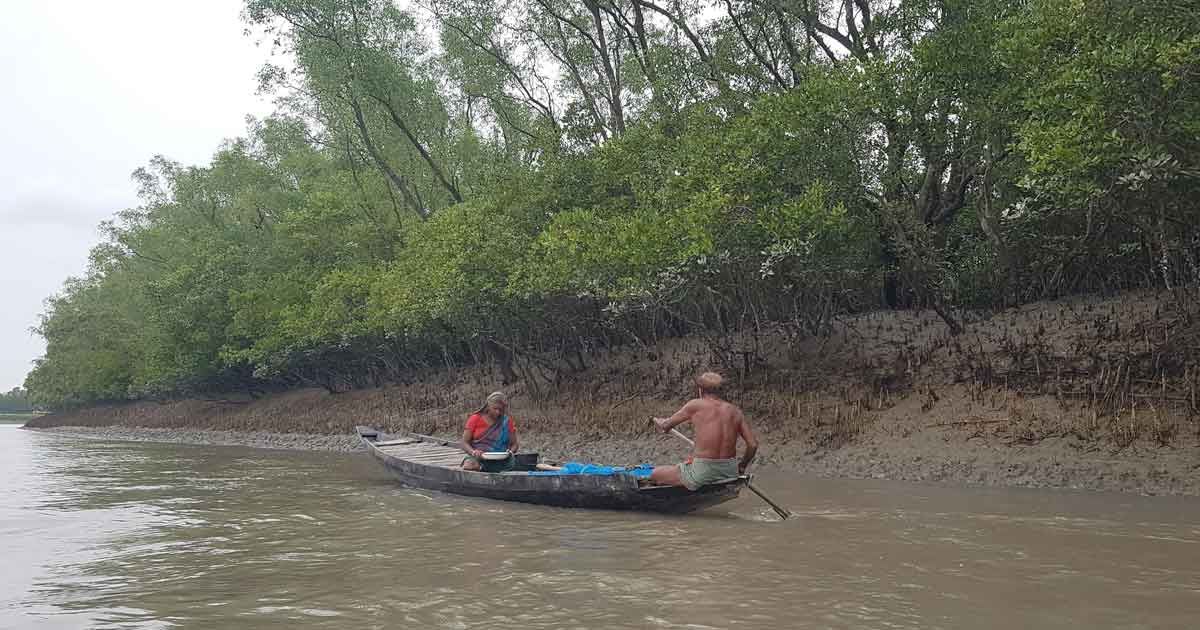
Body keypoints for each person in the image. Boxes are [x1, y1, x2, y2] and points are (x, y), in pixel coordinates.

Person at [649, 372, 757, 490]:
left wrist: (660, 422)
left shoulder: (695, 405)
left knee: (655, 474)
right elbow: (752, 445)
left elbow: (665, 426)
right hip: (730, 470)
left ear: (700, 390)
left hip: (703, 471)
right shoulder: (735, 411)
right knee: (690, 464)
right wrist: (741, 467)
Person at [460, 391, 519, 472]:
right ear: (488, 406)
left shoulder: (507, 421)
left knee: (513, 463)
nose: (498, 412)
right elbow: (464, 442)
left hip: (501, 459)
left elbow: (515, 444)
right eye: (495, 408)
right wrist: (473, 452)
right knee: (469, 464)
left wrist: (510, 452)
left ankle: (487, 469)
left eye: (501, 409)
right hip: (479, 458)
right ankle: (483, 468)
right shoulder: (475, 419)